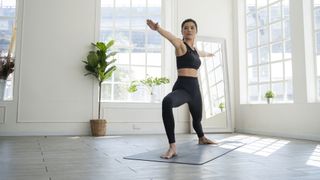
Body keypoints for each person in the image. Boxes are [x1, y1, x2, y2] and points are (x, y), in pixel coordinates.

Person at [146, 18, 218, 159]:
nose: (189, 30)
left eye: (192, 27)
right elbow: (171, 37)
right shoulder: (181, 45)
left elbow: (200, 53)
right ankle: (172, 147)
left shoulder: (195, 50)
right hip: (183, 87)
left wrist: (209, 54)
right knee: (167, 102)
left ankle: (202, 138)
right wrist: (158, 28)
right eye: (186, 28)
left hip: (195, 89)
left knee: (197, 119)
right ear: (182, 31)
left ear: (196, 31)